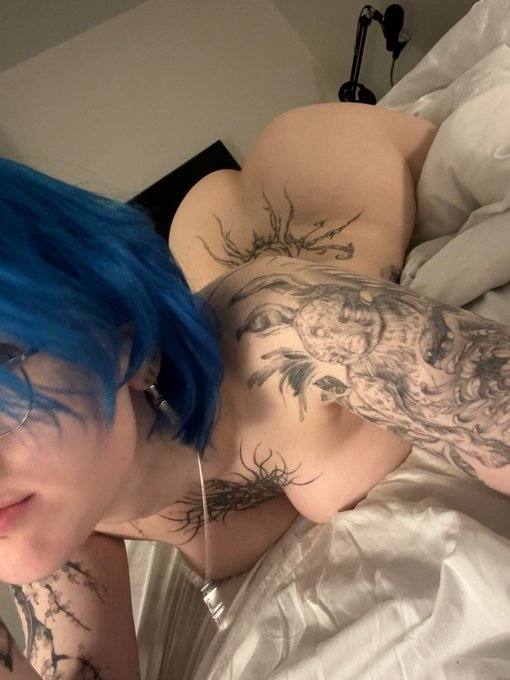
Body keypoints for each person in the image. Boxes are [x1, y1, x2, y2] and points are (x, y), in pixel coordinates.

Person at [1, 102, 508, 679]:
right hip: (211, 236)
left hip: (321, 164)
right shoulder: (57, 512)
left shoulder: (301, 332)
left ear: (124, 340)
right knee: (213, 218)